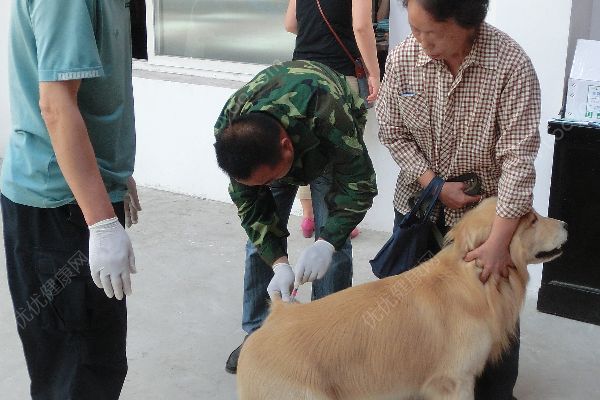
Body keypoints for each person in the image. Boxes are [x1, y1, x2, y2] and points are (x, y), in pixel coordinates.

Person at [376, 0, 541, 399]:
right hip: (420, 213)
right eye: (413, 29)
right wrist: (434, 185)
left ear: (464, 22)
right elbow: (390, 130)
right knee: (417, 318)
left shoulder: (510, 66)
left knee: (493, 319)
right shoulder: (403, 58)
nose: (418, 41)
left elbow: (519, 161)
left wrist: (500, 243)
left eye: (428, 32)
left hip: (491, 223)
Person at [1, 1, 140, 398]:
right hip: (60, 206)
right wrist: (101, 221)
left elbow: (97, 95)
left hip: (83, 190)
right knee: (76, 371)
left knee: (97, 359)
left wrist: (115, 173)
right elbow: (56, 106)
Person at [214, 60, 378, 374]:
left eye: (269, 179)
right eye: (259, 183)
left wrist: (326, 243)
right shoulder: (232, 131)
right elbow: (252, 208)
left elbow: (359, 187)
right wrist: (278, 261)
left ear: (287, 148)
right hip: (272, 150)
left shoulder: (328, 112)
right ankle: (260, 334)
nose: (266, 188)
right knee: (258, 245)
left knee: (334, 243)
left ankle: (326, 338)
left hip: (325, 144)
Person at [285, 0, 380, 240]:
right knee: (341, 155)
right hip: (339, 75)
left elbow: (290, 24)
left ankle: (309, 215)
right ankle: (335, 221)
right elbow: (361, 26)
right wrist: (374, 72)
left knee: (304, 148)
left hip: (301, 75)